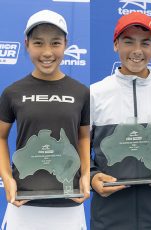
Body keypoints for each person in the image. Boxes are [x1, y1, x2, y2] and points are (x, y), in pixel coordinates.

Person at [0, 9, 90, 230]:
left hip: (69, 203)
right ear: (26, 44)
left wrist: (86, 174)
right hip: (24, 203)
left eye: (55, 43)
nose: (47, 52)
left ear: (66, 45)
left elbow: (84, 138)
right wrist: (7, 179)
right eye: (39, 43)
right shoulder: (12, 92)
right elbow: (1, 137)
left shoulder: (81, 92)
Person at [90, 12, 151, 230]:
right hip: (109, 215)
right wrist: (92, 176)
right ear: (115, 45)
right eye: (128, 42)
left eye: (145, 43)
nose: (137, 51)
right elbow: (80, 146)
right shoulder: (95, 93)